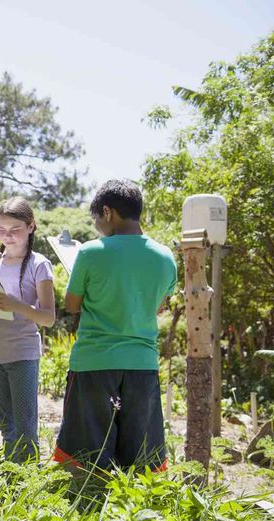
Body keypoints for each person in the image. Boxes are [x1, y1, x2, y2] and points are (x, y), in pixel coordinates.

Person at [54, 180, 176, 472]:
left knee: (84, 457)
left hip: (94, 362)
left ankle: (83, 510)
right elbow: (158, 306)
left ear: (107, 212)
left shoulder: (90, 253)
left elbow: (72, 305)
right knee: (141, 458)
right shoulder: (165, 256)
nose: (97, 225)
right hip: (142, 364)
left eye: (97, 218)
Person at [0, 198, 55, 461]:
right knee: (6, 427)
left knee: (24, 428)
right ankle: (12, 481)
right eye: (1, 230)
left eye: (15, 229)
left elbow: (48, 318)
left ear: (31, 227)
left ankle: (28, 483)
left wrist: (17, 305)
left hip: (23, 353)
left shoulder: (39, 264)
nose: (8, 236)